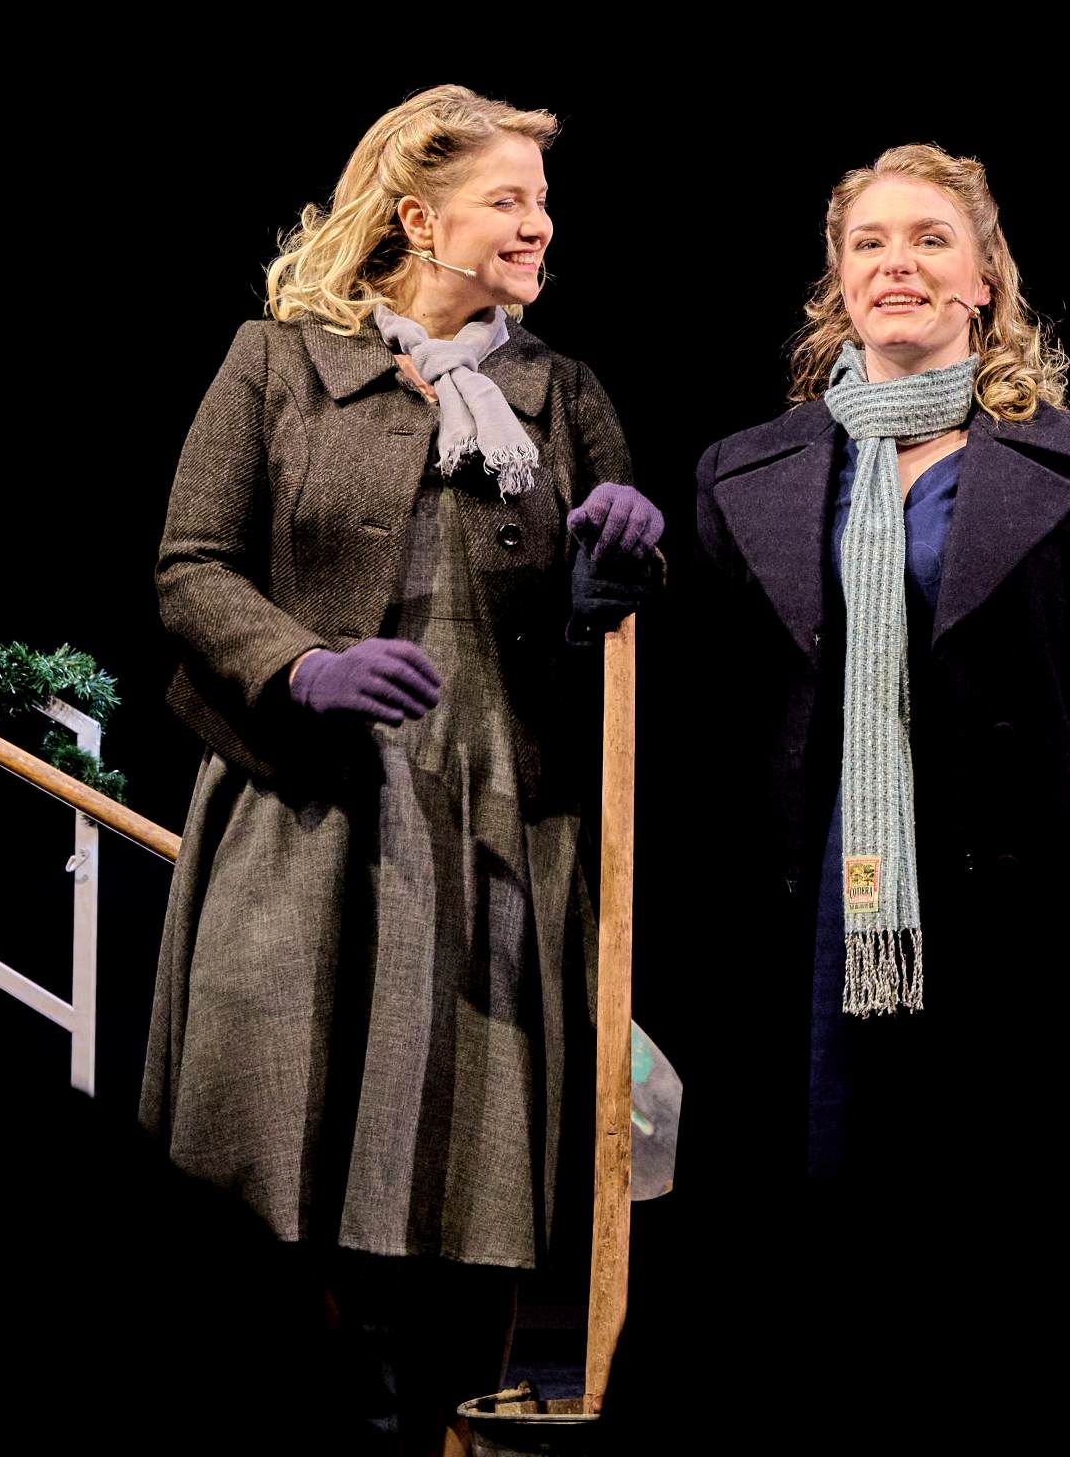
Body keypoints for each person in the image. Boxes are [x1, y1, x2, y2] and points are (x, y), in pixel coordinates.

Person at [141, 85, 662, 1455]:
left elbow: (608, 631)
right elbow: (192, 566)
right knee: (271, 1151)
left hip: (495, 810)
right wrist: (299, 664)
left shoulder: (563, 394)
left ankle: (443, 1429)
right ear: (418, 218)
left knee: (465, 1167)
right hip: (300, 805)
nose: (538, 225)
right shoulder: (275, 362)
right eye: (508, 199)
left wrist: (613, 580)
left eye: (543, 201)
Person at [691, 142, 1070, 1422]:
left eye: (928, 240)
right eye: (868, 243)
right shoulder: (748, 470)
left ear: (983, 280)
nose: (896, 264)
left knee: (1011, 1241)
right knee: (823, 1225)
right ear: (837, 281)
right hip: (821, 911)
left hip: (1027, 915)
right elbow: (717, 726)